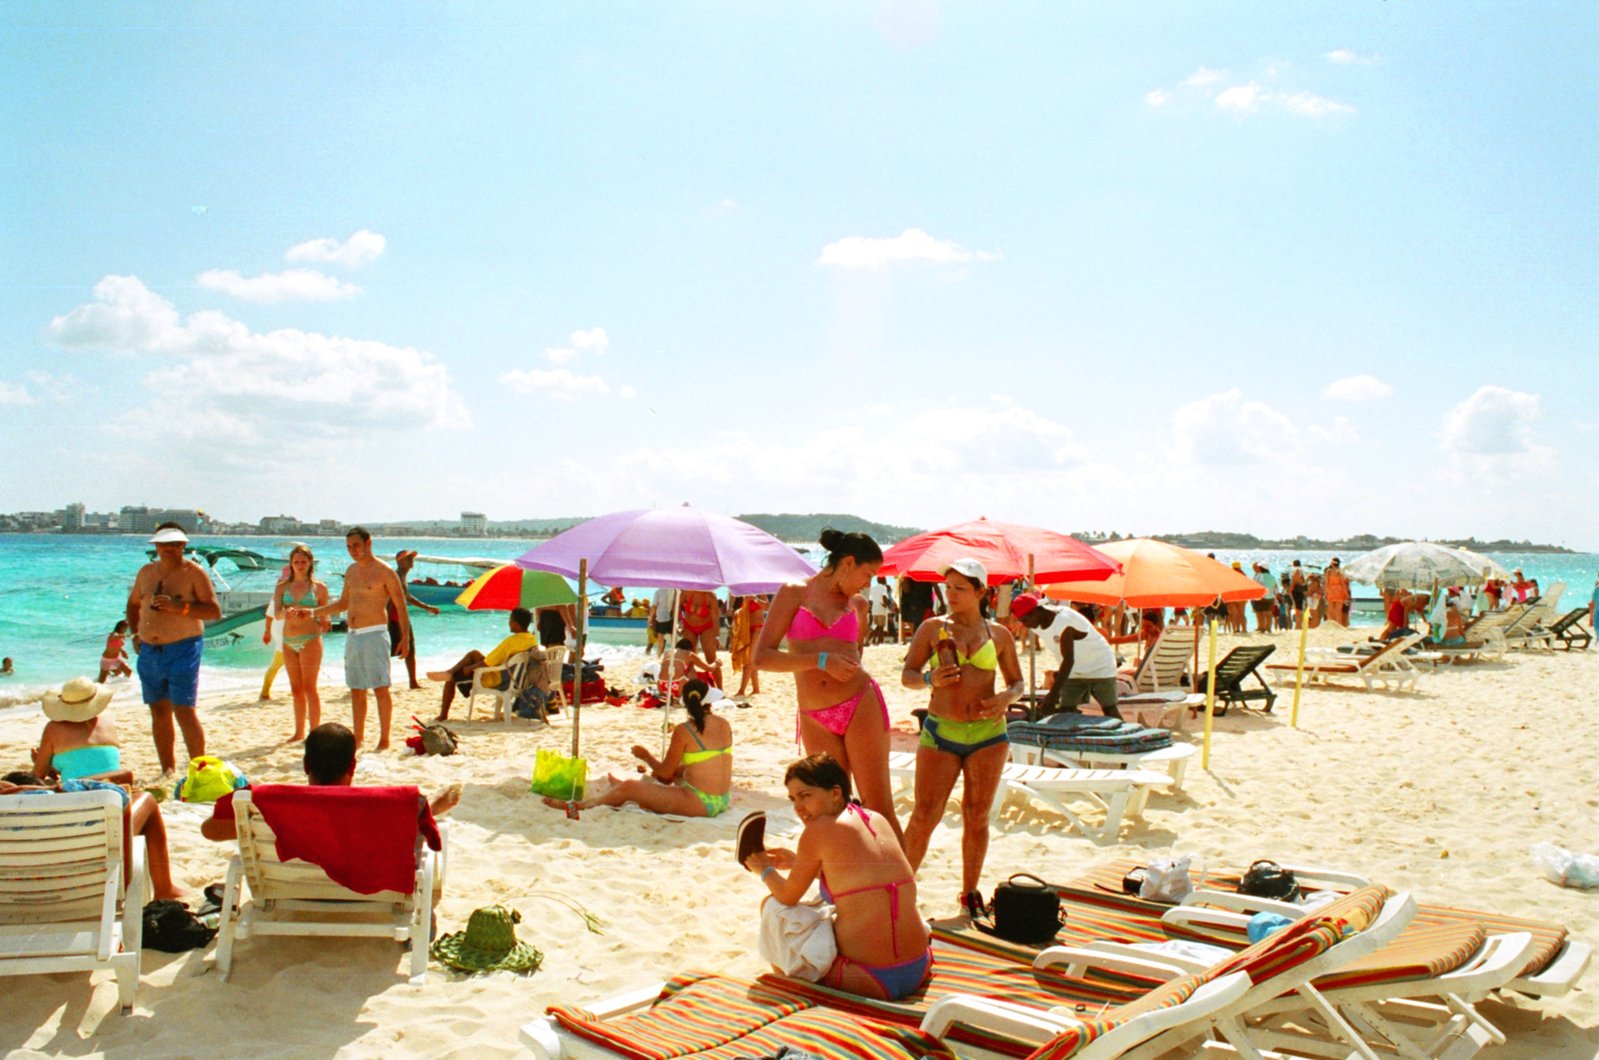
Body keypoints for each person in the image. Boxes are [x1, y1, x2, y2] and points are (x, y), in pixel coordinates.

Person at [745, 753, 931, 1001]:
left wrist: (764, 870)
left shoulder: (819, 830)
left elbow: (788, 896)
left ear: (835, 792)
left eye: (805, 796)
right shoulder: (875, 818)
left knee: (773, 907)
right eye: (792, 800)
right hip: (919, 966)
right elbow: (864, 878)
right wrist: (798, 863)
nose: (798, 808)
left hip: (871, 977)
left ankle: (788, 990)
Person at [755, 528, 901, 844]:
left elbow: (854, 654)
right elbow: (762, 657)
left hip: (859, 702)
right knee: (829, 809)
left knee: (879, 806)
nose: (869, 583)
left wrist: (835, 663)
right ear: (848, 562)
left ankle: (901, 885)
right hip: (814, 715)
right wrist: (820, 661)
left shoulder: (858, 605)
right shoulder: (794, 592)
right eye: (867, 574)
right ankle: (838, 884)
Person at [900, 559, 1024, 914]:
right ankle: (902, 889)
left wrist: (1006, 697)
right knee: (924, 815)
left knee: (977, 815)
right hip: (942, 731)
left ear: (981, 592)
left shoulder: (998, 634)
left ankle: (970, 892)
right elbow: (907, 674)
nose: (951, 594)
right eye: (948, 587)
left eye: (960, 589)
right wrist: (929, 680)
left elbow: (1017, 682)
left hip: (988, 734)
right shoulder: (932, 628)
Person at [200, 722, 460, 843]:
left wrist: (255, 828)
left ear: (305, 766)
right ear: (353, 767)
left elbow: (209, 830)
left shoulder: (270, 803)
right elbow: (412, 823)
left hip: (293, 891)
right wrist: (432, 808)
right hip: (364, 897)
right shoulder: (381, 807)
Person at [544, 679, 732, 817]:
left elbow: (665, 772)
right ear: (709, 702)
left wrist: (646, 756)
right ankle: (628, 792)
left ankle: (582, 806)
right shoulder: (724, 724)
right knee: (681, 768)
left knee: (630, 787)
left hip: (700, 803)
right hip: (722, 798)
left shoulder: (685, 730)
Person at [295, 528, 410, 752]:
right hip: (353, 635)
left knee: (380, 687)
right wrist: (313, 612)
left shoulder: (384, 571)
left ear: (368, 543)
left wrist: (404, 638)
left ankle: (384, 739)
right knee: (356, 689)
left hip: (375, 633)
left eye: (356, 546)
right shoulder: (351, 571)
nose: (352, 551)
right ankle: (358, 738)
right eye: (348, 547)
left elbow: (400, 605)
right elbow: (342, 603)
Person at [126, 523, 220, 777]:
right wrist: (135, 633)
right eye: (164, 544)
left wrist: (180, 607)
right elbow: (133, 604)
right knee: (158, 709)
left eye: (175, 544)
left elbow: (213, 610)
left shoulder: (194, 573)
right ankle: (167, 769)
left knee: (184, 709)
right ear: (156, 546)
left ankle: (199, 769)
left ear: (183, 545)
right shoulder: (146, 572)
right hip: (149, 650)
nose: (169, 549)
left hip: (183, 647)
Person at [1, 770, 183, 901]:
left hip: (14, 898)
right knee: (146, 799)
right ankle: (164, 889)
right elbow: (117, 794)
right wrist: (56, 788)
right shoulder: (65, 805)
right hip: (93, 890)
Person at [1008, 593, 1121, 720]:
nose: (1026, 625)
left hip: (1100, 666)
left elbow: (1068, 660)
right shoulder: (1036, 622)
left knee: (1109, 709)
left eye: (1025, 620)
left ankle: (1128, 738)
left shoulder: (1064, 621)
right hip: (1074, 672)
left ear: (1037, 611)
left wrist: (1053, 694)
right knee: (1067, 711)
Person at [265, 545, 330, 742]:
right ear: (291, 564)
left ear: (310, 562)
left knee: (310, 687)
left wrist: (313, 615)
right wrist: (287, 612)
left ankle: (315, 732)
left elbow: (325, 617)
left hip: (310, 639)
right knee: (296, 689)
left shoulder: (319, 587)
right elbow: (276, 613)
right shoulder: (282, 587)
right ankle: (299, 731)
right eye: (296, 562)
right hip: (289, 640)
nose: (300, 565)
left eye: (303, 561)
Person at [430, 607, 538, 721]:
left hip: (500, 680)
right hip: (517, 680)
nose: (509, 623)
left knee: (452, 678)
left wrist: (469, 668)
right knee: (474, 654)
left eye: (510, 620)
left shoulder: (511, 641)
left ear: (516, 624)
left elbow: (487, 663)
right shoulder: (532, 639)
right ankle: (449, 672)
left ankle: (443, 714)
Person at [31, 676, 130, 784]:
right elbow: (91, 766)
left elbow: (38, 775)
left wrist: (38, 761)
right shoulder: (108, 725)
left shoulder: (54, 729)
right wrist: (51, 768)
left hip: (76, 795)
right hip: (111, 791)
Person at [392, 551, 442, 690]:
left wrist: (427, 607)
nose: (411, 561)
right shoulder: (396, 576)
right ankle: (411, 682)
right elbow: (403, 598)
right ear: (400, 561)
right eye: (408, 558)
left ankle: (412, 682)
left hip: (397, 616)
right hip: (394, 617)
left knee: (406, 649)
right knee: (404, 648)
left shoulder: (401, 576)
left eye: (411, 558)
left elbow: (406, 596)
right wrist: (427, 607)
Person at [731, 595, 765, 699]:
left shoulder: (760, 592)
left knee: (749, 660)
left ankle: (742, 690)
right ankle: (756, 688)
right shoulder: (741, 594)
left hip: (757, 628)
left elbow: (767, 606)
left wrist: (754, 599)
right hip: (745, 629)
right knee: (750, 660)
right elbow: (736, 612)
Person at [678, 590, 721, 663]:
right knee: (688, 656)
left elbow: (716, 619)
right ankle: (691, 674)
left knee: (711, 657)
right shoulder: (686, 593)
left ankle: (715, 673)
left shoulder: (710, 596)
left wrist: (717, 637)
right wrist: (677, 624)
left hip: (706, 627)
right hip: (689, 626)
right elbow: (676, 608)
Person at [1323, 557, 1351, 626]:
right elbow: (1342, 584)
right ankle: (1339, 624)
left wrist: (1325, 593)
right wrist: (1346, 594)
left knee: (1330, 610)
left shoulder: (1328, 571)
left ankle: (1331, 624)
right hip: (1339, 591)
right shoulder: (1339, 571)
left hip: (1331, 591)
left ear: (1332, 563)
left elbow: (1326, 583)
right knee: (1338, 610)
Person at [1250, 563, 1275, 633]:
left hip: (1262, 596)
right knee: (1269, 613)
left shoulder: (1260, 576)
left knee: (1261, 613)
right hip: (1271, 597)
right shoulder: (1272, 576)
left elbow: (1257, 585)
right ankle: (1268, 628)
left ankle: (1262, 628)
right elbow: (1275, 586)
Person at [650, 588, 674, 655]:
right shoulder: (673, 590)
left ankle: (659, 654)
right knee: (673, 636)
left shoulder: (658, 592)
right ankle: (675, 654)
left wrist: (650, 617)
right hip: (672, 616)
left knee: (661, 637)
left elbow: (654, 606)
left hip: (661, 616)